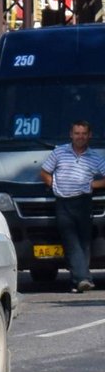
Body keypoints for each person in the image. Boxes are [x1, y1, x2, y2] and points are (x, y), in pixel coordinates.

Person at [38, 120, 105, 293]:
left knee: (84, 243)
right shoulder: (59, 152)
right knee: (71, 241)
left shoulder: (95, 157)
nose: (80, 137)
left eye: (84, 134)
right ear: (71, 135)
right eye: (77, 133)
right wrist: (54, 185)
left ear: (89, 135)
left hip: (83, 202)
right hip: (63, 203)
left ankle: (77, 281)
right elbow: (44, 172)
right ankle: (84, 278)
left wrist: (93, 185)